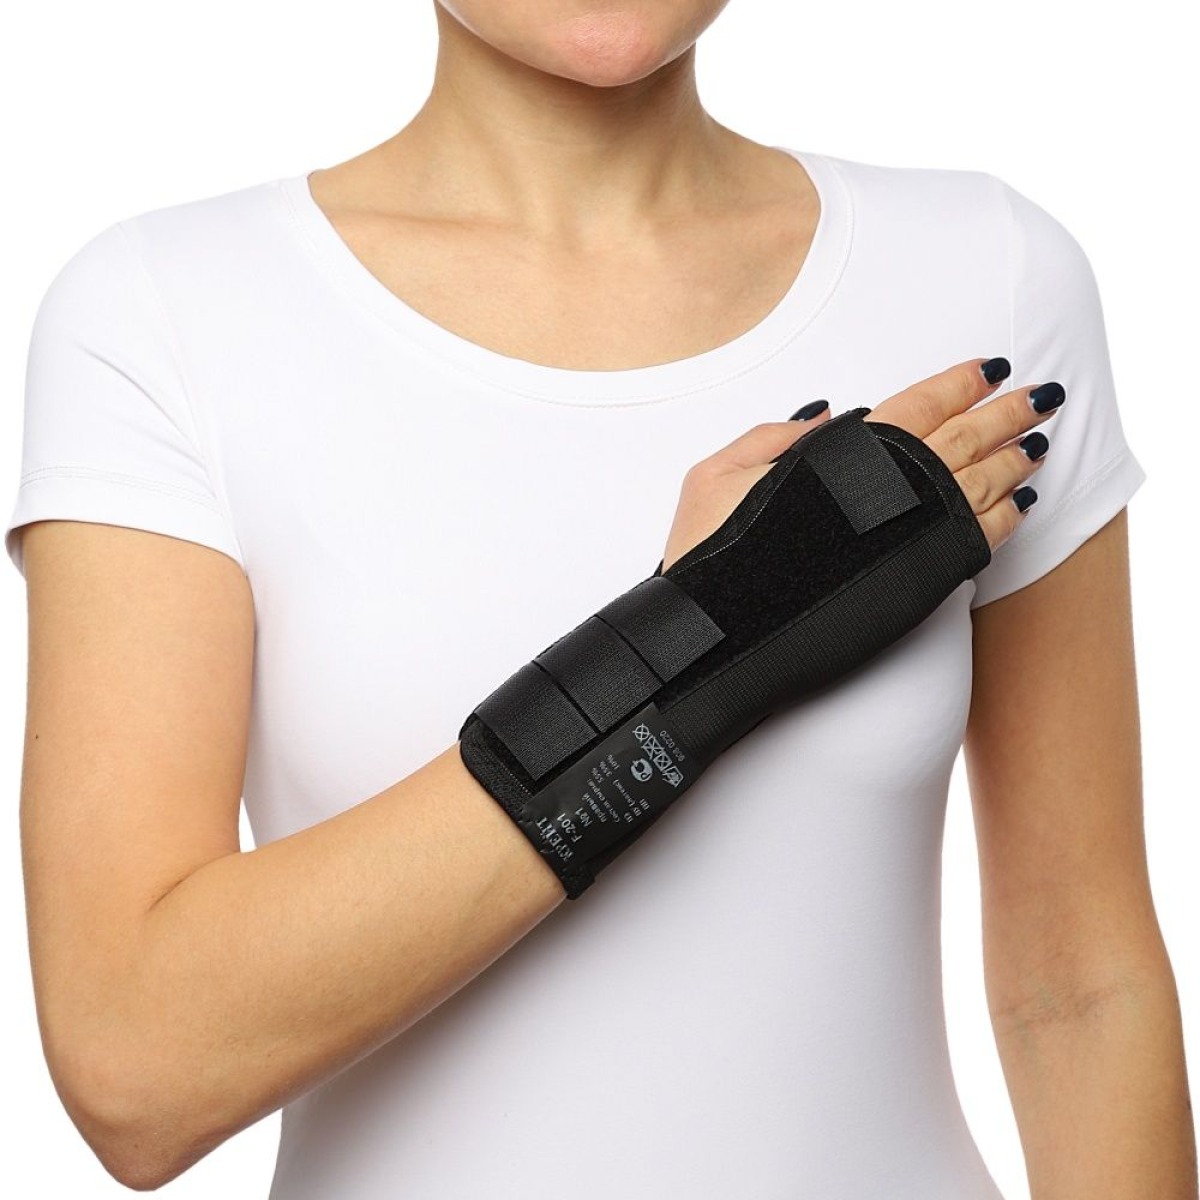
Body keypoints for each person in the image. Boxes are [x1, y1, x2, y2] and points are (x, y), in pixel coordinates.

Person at [4, 2, 1193, 1197]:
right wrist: (704, 635)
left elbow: (1079, 988)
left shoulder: (986, 271)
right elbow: (137, 1071)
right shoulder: (169, 315)